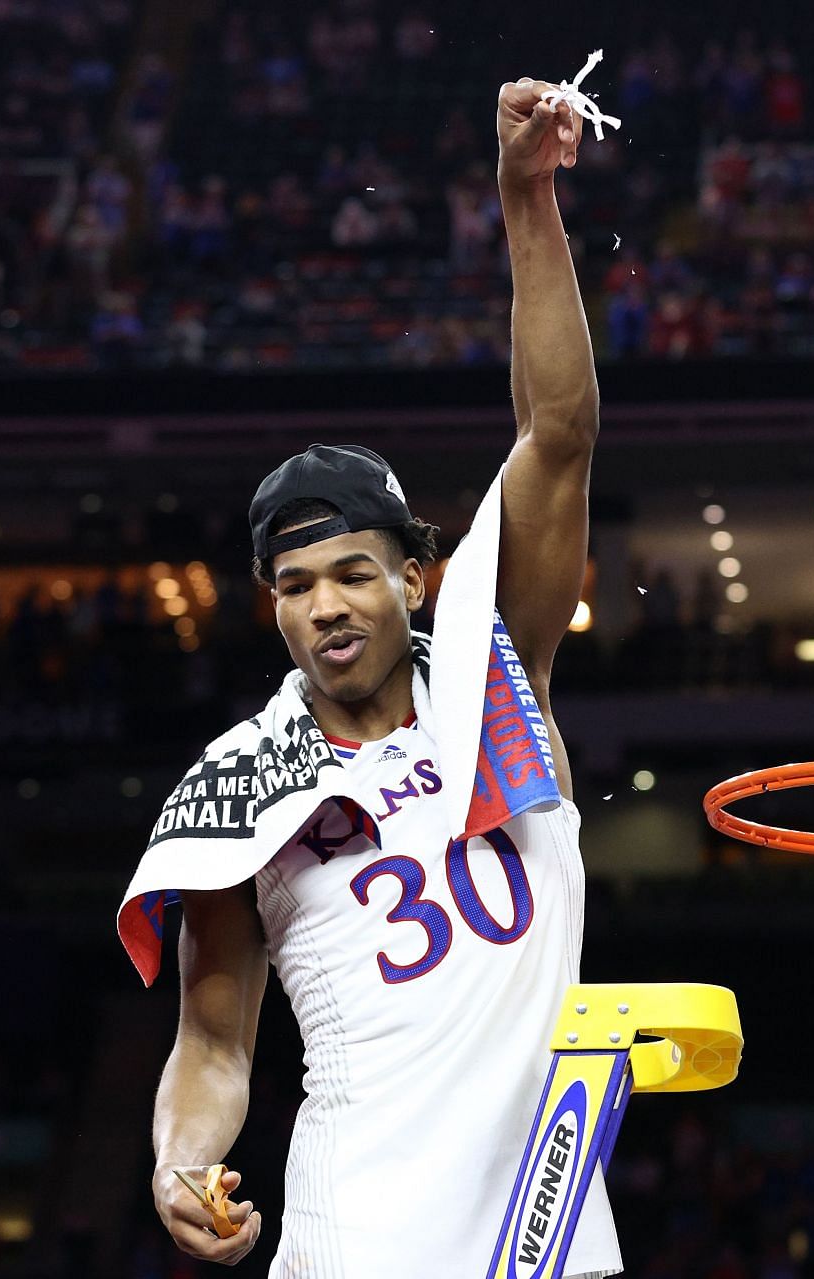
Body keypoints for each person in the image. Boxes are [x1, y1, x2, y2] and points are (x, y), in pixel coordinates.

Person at [144, 77, 619, 1274]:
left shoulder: (493, 674)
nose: (324, 607)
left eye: (351, 573)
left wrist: (526, 197)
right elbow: (212, 1037)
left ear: (414, 577)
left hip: (552, 1233)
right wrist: (178, 1161)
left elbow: (557, 433)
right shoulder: (236, 786)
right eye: (295, 587)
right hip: (363, 1238)